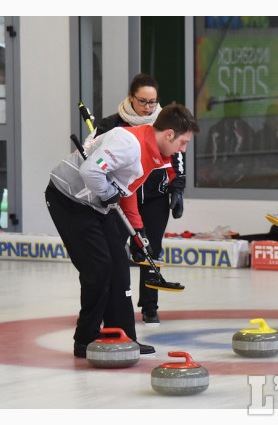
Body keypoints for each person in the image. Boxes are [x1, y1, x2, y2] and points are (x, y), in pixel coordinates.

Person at [45, 104, 199, 357]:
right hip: (68, 199)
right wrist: (107, 194)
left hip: (96, 202)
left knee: (118, 264)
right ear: (169, 134)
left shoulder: (152, 151)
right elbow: (90, 170)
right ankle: (86, 339)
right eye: (183, 142)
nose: (182, 149)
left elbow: (126, 192)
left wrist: (139, 232)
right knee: (99, 267)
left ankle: (124, 336)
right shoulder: (129, 143)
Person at [89, 73, 185, 325]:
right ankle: (114, 305)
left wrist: (177, 188)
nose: (148, 108)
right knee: (115, 251)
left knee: (150, 248)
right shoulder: (112, 124)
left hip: (155, 196)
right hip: (119, 198)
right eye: (143, 101)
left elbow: (176, 158)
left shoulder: (164, 124)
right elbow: (95, 156)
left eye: (153, 102)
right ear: (131, 98)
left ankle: (150, 307)